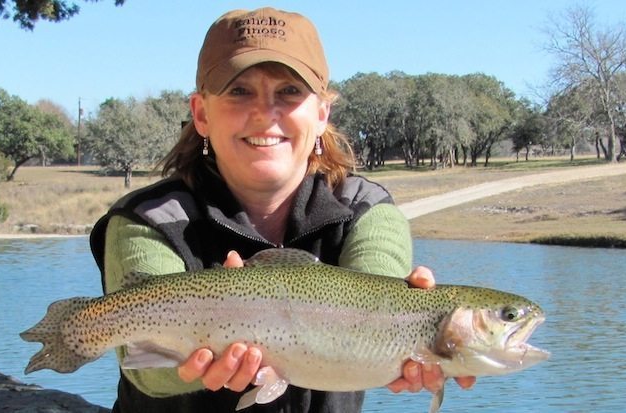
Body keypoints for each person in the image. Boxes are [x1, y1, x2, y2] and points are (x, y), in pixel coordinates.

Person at [89, 7, 474, 412]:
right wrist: (211, 341)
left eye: (289, 91)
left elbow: (370, 311)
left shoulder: (368, 210)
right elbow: (141, 364)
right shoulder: (150, 218)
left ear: (322, 113)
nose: (264, 113)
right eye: (239, 91)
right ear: (201, 113)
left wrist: (412, 343)